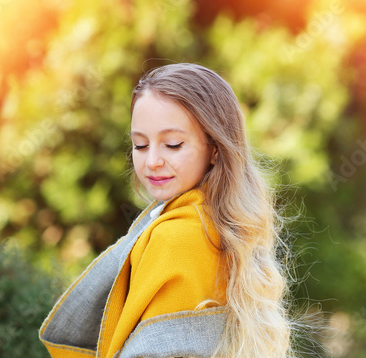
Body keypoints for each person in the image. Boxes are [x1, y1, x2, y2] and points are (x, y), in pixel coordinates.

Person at [39, 63, 292, 358]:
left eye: (172, 145)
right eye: (141, 145)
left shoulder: (175, 236)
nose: (153, 161)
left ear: (214, 148)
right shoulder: (224, 223)